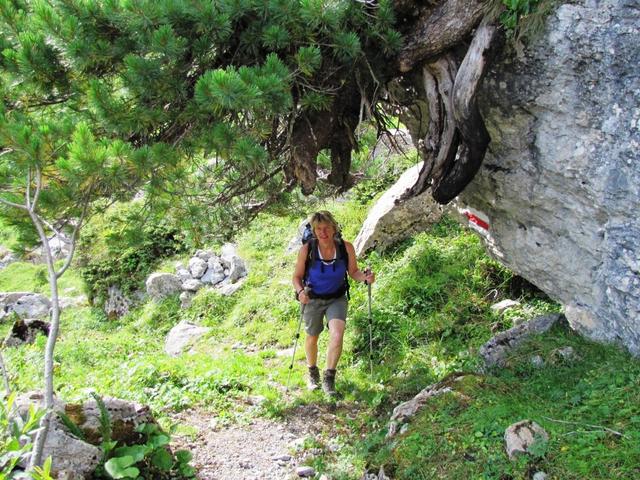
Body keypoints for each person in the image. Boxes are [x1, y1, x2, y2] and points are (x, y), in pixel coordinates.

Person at [292, 211, 375, 396]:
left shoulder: (346, 248)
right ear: (314, 231)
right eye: (318, 229)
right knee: (312, 336)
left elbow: (353, 272)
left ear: (334, 228)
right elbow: (296, 277)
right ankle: (312, 371)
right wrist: (300, 293)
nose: (323, 232)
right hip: (312, 298)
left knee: (337, 334)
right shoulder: (308, 250)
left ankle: (329, 379)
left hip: (337, 298)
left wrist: (365, 278)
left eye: (326, 228)